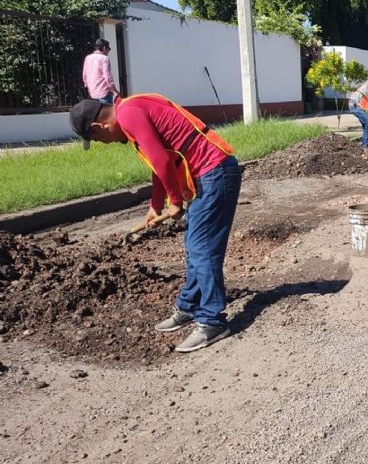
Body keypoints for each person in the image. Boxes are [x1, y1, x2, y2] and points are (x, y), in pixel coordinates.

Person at [68, 94, 241, 353]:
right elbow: (159, 161)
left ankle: (212, 321)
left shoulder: (128, 115)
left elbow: (161, 160)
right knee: (194, 245)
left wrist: (175, 201)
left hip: (214, 172)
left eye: (98, 140)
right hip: (208, 174)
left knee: (202, 248)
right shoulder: (130, 109)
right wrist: (155, 205)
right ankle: (189, 306)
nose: (107, 143)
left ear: (98, 127)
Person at [82, 39, 120, 104]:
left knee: (95, 114)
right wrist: (115, 91)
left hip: (92, 94)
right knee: (107, 114)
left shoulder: (88, 58)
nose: (108, 51)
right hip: (104, 93)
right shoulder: (104, 58)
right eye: (109, 49)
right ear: (104, 48)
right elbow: (108, 77)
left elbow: (84, 76)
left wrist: (89, 88)